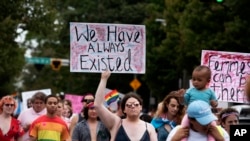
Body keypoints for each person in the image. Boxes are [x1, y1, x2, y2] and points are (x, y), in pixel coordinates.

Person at [94, 70, 157, 141]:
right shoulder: (116, 123)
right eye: (129, 105)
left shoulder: (149, 127)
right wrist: (103, 79)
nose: (133, 106)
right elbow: (98, 105)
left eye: (136, 104)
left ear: (141, 107)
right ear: (124, 109)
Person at [181, 65, 218, 141]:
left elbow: (215, 103)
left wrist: (214, 103)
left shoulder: (210, 92)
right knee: (183, 127)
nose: (195, 82)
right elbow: (184, 102)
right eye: (194, 79)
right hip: (190, 115)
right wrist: (181, 97)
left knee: (213, 127)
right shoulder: (190, 91)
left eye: (199, 80)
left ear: (208, 81)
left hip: (205, 115)